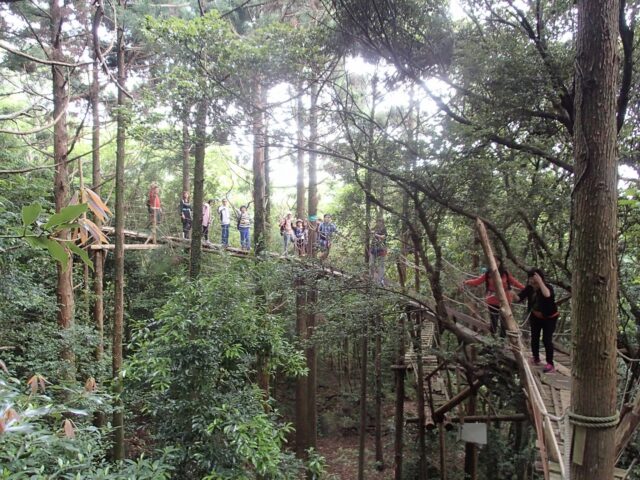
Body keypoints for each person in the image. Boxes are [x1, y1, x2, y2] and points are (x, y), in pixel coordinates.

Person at [462, 257, 524, 337]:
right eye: (493, 261)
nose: (496, 263)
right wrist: (466, 282)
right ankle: (494, 340)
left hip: (505, 300)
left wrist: (527, 289)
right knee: (494, 322)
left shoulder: (505, 273)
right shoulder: (488, 274)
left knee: (504, 323)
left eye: (497, 261)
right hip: (492, 300)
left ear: (500, 262)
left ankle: (502, 341)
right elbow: (477, 281)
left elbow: (515, 282)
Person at [514, 269, 560, 373]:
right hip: (535, 316)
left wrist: (540, 282)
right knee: (534, 337)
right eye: (530, 278)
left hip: (550, 317)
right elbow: (519, 298)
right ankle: (536, 357)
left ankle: (550, 364)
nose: (531, 281)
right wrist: (510, 293)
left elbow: (547, 295)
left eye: (533, 278)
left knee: (546, 339)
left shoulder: (547, 287)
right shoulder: (529, 288)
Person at [370, 218, 387, 286]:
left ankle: (381, 280)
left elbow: (383, 237)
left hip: (382, 249)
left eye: (380, 222)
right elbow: (371, 233)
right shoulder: (375, 228)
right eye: (378, 222)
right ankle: (371, 278)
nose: (378, 223)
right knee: (371, 264)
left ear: (382, 223)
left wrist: (375, 234)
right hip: (373, 249)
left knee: (381, 266)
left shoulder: (384, 229)